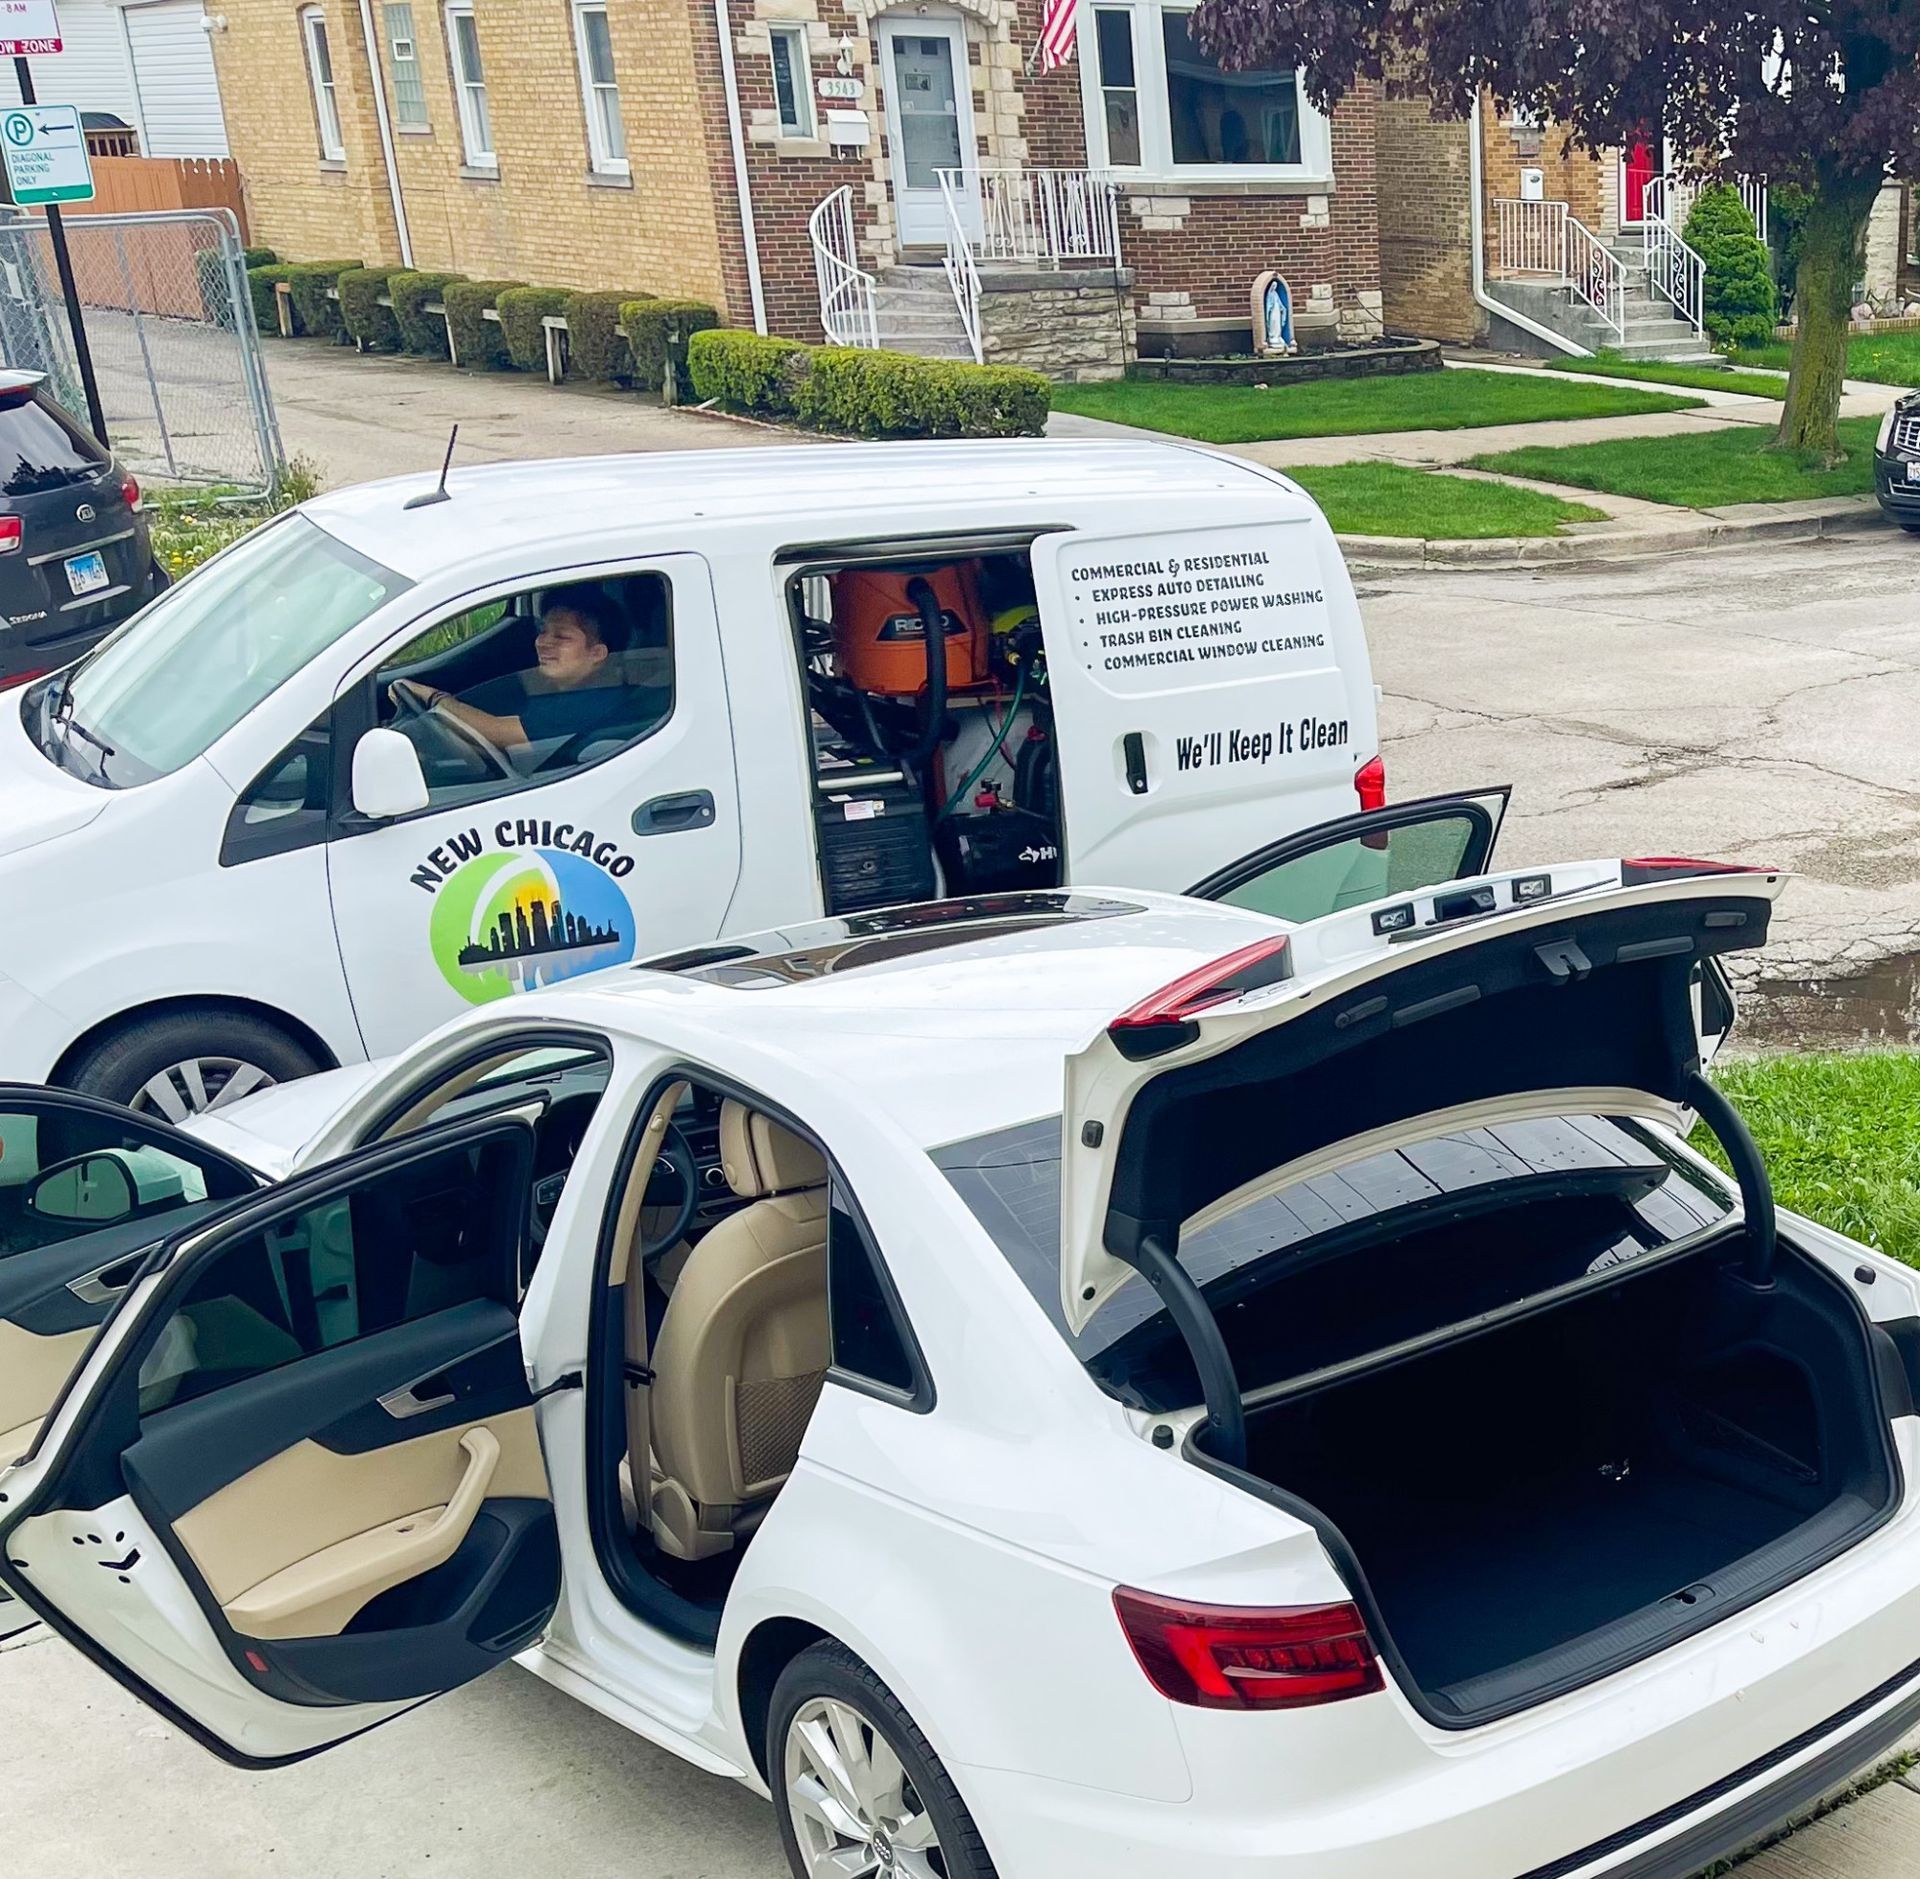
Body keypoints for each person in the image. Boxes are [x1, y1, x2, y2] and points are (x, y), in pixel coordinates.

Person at [390, 586, 634, 753]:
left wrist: (434, 698)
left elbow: (497, 733)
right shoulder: (568, 690)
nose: (543, 642)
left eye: (561, 637)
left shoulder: (589, 705)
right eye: (543, 631)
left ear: (597, 653)